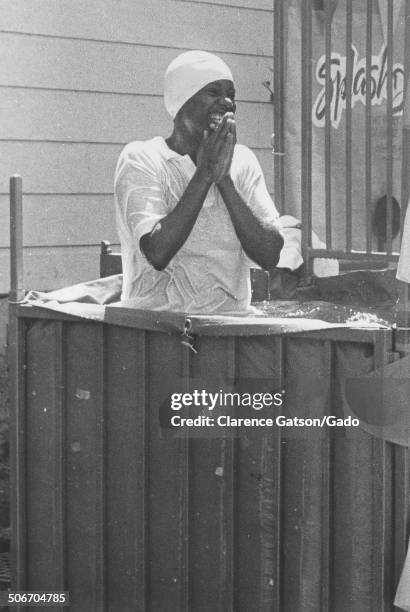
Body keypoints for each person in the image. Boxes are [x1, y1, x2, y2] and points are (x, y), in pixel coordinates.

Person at [115, 50, 284, 313]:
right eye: (214, 93)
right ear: (182, 101)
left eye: (231, 95)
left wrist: (224, 180)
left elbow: (270, 254)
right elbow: (157, 252)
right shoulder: (142, 157)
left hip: (230, 328)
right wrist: (205, 174)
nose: (227, 102)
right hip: (156, 329)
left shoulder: (242, 160)